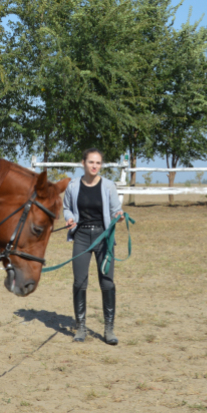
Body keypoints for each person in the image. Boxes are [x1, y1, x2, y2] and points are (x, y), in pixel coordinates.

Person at [63, 148, 124, 345]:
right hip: (81, 237)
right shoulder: (73, 186)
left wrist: (119, 216)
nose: (95, 166)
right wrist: (70, 218)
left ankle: (109, 329)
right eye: (91, 162)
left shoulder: (108, 186)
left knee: (107, 283)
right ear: (83, 163)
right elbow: (66, 208)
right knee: (79, 282)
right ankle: (80, 327)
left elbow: (116, 209)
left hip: (103, 237)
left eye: (98, 163)